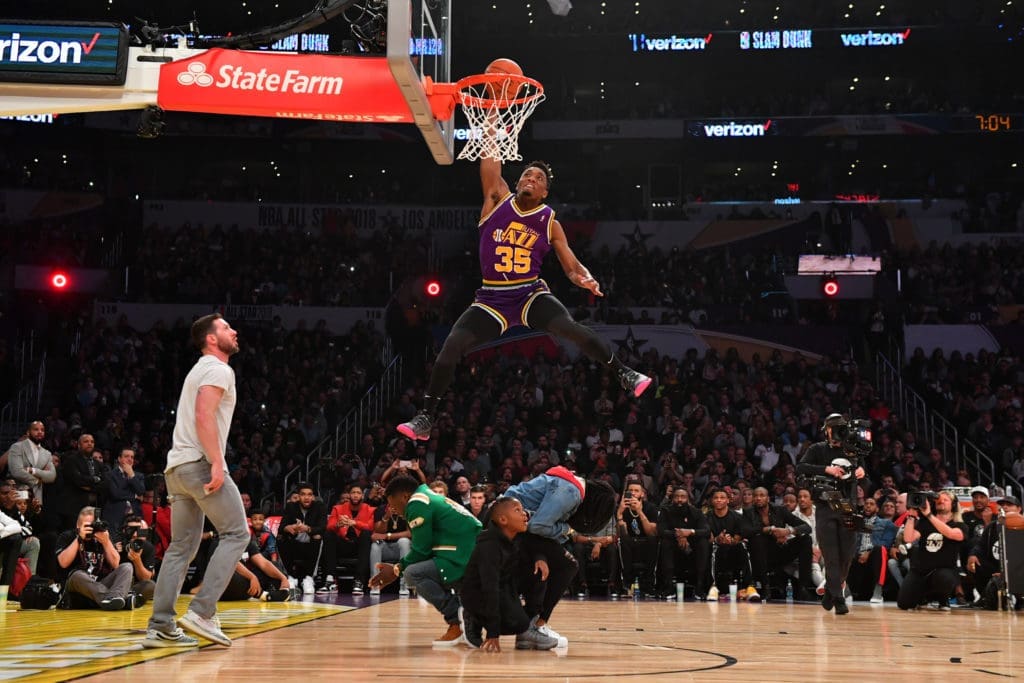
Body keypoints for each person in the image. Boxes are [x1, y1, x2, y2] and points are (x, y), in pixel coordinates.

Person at [397, 158, 651, 441]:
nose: (531, 178)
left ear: (544, 192)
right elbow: (490, 161)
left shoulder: (549, 220)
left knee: (570, 328)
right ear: (516, 182)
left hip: (529, 294)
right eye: (527, 174)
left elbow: (571, 264)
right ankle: (426, 418)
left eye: (539, 178)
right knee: (451, 347)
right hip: (492, 298)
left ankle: (624, 373)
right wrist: (492, 124)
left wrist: (584, 278)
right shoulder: (497, 198)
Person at [144, 313, 248, 649]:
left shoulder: (197, 369)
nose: (234, 331)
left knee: (181, 548)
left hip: (176, 470)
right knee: (236, 533)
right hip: (200, 463)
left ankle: (160, 625)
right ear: (212, 339)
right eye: (226, 328)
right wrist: (218, 462)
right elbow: (204, 414)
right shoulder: (219, 369)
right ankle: (202, 611)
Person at [503, 466, 617, 646]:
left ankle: (531, 626)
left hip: (519, 527)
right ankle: (535, 624)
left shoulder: (571, 484)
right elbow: (538, 526)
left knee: (554, 564)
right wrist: (567, 530)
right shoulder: (570, 492)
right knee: (566, 565)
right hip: (510, 526)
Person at [368, 475, 482, 647]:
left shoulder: (417, 503)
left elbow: (421, 550)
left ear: (404, 496)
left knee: (413, 573)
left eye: (392, 502)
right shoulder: (427, 496)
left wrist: (397, 569)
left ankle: (456, 616)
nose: (392, 508)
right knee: (420, 568)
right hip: (468, 552)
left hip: (462, 556)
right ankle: (463, 619)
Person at [460, 497, 559, 652]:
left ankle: (528, 628)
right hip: (478, 595)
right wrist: (493, 633)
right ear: (503, 520)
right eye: (517, 510)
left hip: (505, 585)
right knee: (517, 623)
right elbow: (489, 588)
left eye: (522, 509)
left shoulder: (517, 535)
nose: (524, 514)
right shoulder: (489, 546)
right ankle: (474, 617)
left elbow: (536, 545)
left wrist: (540, 558)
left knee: (539, 574)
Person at [797, 414, 865, 615]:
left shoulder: (852, 449)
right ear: (826, 429)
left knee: (847, 555)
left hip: (848, 505)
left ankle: (830, 590)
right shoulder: (817, 449)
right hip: (826, 504)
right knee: (831, 554)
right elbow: (800, 467)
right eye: (833, 427)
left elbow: (862, 469)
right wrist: (826, 469)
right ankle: (839, 598)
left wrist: (861, 471)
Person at [55, 506, 136, 610]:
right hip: (77, 587)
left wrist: (106, 542)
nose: (91, 529)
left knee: (127, 567)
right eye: (87, 526)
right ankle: (116, 599)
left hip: (98, 586)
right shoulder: (67, 536)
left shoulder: (101, 537)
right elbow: (63, 562)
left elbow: (115, 564)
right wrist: (79, 538)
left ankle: (112, 599)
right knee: (77, 575)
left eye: (93, 526)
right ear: (78, 525)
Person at [897, 490, 966, 610]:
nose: (941, 501)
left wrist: (929, 515)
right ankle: (923, 596)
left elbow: (950, 533)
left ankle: (943, 599)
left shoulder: (959, 525)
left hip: (945, 570)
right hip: (921, 570)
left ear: (953, 505)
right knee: (904, 604)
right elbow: (908, 538)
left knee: (943, 577)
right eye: (939, 500)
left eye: (945, 500)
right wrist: (911, 516)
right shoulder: (925, 522)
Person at [6, 421, 57, 506]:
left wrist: (32, 470)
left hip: (37, 499)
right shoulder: (17, 447)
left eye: (42, 430)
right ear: (28, 432)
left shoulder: (47, 453)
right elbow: (16, 471)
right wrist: (37, 481)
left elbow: (51, 476)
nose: (40, 432)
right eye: (36, 429)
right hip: (18, 495)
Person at [103, 448, 145, 531]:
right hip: (115, 516)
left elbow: (141, 491)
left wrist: (132, 475)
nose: (130, 459)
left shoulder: (139, 476)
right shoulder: (110, 475)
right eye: (126, 456)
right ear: (119, 459)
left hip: (135, 516)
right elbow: (116, 494)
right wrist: (134, 496)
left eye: (132, 457)